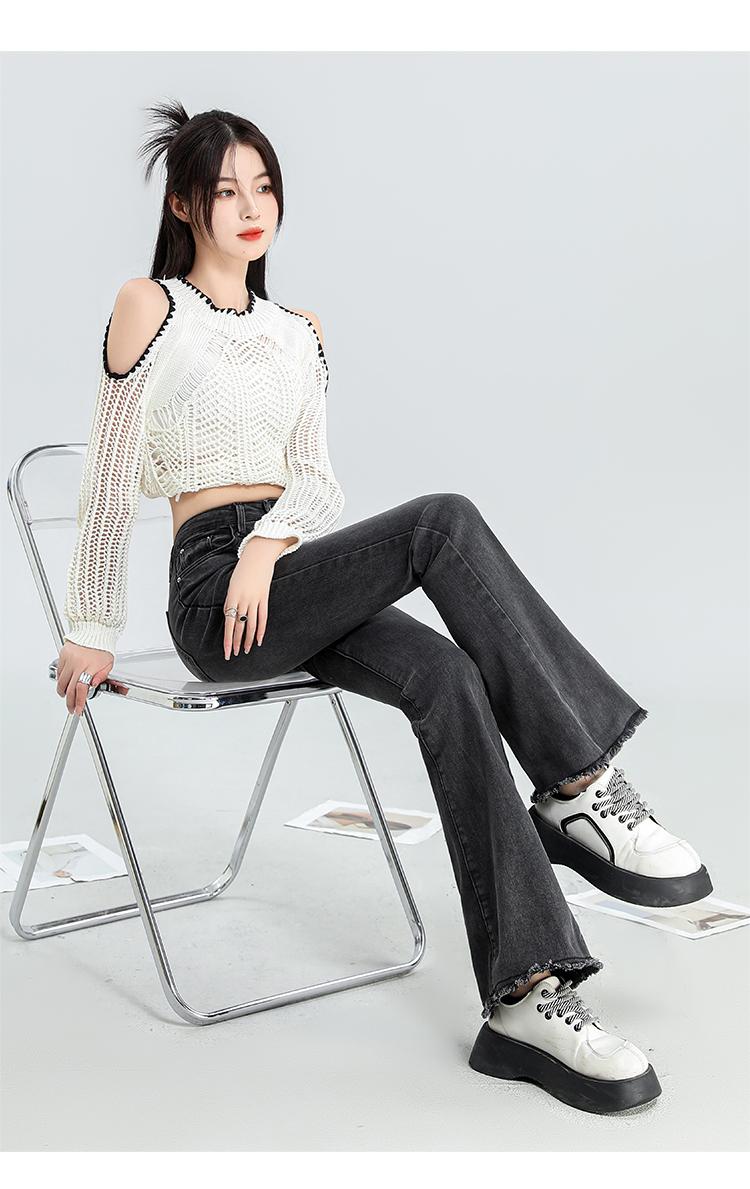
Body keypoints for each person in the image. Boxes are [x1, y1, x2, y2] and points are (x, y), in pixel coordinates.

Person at [55, 100, 712, 1115]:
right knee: (443, 522)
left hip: (284, 572)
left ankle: (526, 998)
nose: (251, 206)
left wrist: (271, 542)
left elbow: (317, 481)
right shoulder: (152, 306)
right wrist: (90, 632)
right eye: (225, 190)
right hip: (213, 595)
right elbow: (107, 481)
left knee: (446, 675)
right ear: (184, 205)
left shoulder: (299, 333)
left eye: (264, 186)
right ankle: (579, 782)